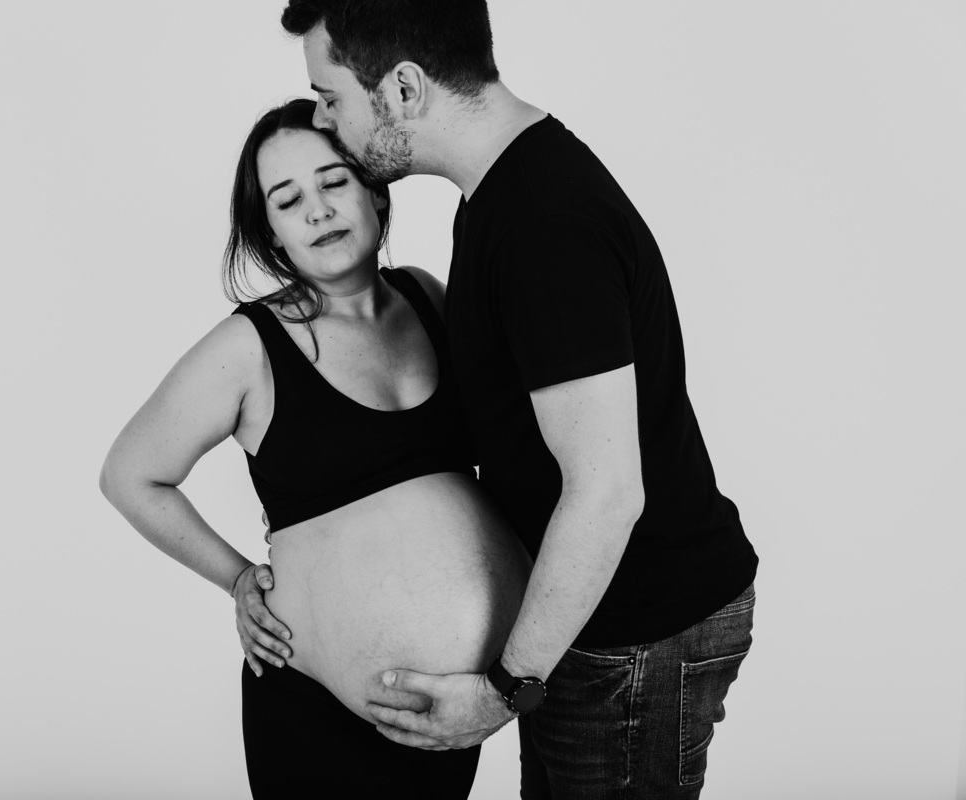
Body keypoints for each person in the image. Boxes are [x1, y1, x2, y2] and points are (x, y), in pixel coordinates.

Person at [256, 2, 761, 798]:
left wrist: (504, 689)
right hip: (585, 639)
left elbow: (606, 495)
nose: (323, 120)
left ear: (404, 88)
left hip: (632, 643)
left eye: (330, 97)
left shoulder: (540, 224)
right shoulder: (501, 193)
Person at [98, 98, 531, 799]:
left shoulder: (426, 296)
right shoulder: (248, 347)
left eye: (333, 182)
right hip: (314, 716)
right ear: (271, 233)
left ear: (375, 192)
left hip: (453, 713)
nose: (318, 210)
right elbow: (130, 475)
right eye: (288, 199)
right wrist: (238, 578)